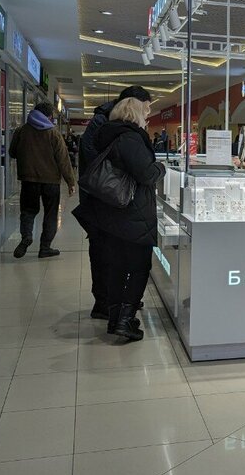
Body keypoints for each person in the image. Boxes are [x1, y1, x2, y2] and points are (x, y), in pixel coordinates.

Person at [72, 98, 165, 342]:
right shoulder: (130, 138)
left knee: (117, 268)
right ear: (136, 114)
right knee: (139, 267)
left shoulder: (108, 134)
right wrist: (161, 168)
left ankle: (114, 317)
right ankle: (125, 320)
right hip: (132, 214)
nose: (147, 118)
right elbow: (146, 174)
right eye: (145, 113)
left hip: (112, 213)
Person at [79, 85, 151, 319]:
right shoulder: (114, 127)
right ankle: (105, 304)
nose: (148, 113)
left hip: (107, 202)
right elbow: (98, 164)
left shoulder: (109, 123)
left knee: (114, 257)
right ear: (135, 105)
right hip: (108, 201)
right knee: (106, 256)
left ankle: (115, 303)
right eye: (146, 108)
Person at [9, 101, 76, 258]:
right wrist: (71, 182)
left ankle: (26, 237)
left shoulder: (21, 131)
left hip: (28, 180)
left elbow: (12, 152)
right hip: (51, 181)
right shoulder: (54, 133)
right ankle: (45, 247)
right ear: (49, 116)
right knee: (50, 214)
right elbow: (63, 160)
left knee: (28, 211)